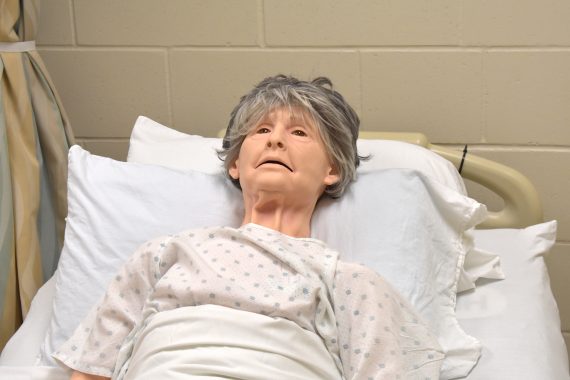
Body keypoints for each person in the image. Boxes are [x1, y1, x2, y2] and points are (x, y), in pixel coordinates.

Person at [55, 75, 444, 379]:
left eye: (298, 132)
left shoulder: (350, 282)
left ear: (333, 170)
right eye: (261, 131)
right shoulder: (163, 255)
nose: (275, 139)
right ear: (235, 165)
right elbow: (91, 371)